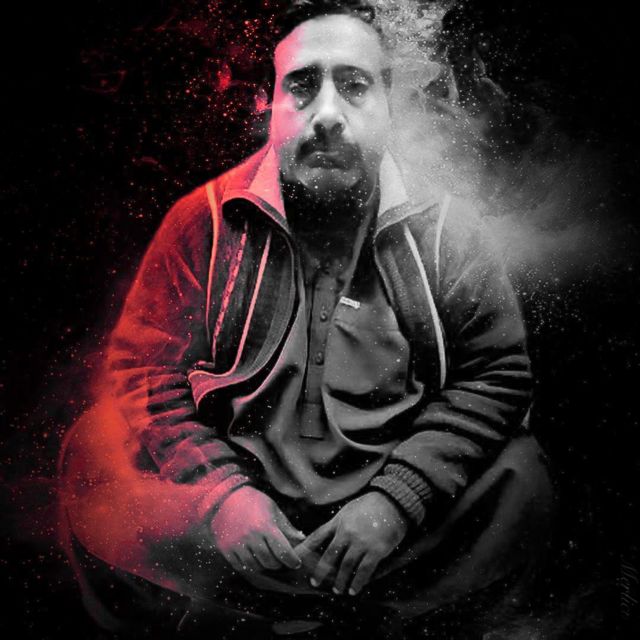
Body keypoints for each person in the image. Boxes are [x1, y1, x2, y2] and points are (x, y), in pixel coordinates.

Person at [58, 1, 554, 637]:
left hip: (397, 525)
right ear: (267, 104)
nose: (327, 114)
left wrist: (396, 502)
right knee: (92, 453)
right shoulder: (202, 219)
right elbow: (143, 369)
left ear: (389, 106)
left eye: (354, 86)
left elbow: (498, 373)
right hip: (238, 513)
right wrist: (223, 498)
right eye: (302, 85)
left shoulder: (449, 231)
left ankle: (365, 613)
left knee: (523, 477)